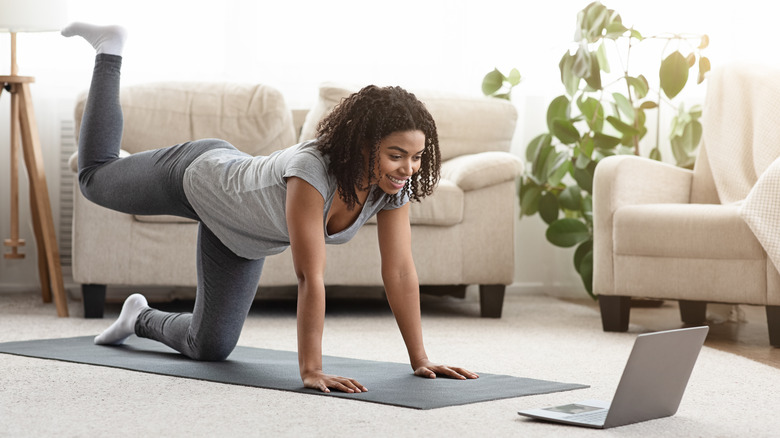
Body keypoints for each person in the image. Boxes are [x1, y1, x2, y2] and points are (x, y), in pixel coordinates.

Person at [62, 23, 478, 394]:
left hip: (238, 235)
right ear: (366, 145)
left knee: (209, 348)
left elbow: (401, 270)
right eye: (396, 155)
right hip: (198, 176)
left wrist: (420, 358)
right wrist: (311, 369)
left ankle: (138, 316)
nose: (408, 169)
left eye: (418, 157)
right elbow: (309, 276)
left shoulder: (390, 188)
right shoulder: (311, 171)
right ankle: (108, 50)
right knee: (95, 179)